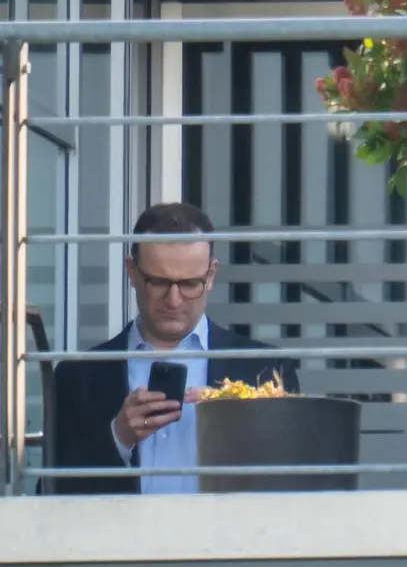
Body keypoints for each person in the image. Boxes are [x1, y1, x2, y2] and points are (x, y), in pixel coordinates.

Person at [49, 203, 299, 495]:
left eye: (191, 283)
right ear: (132, 271)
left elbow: (292, 487)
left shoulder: (266, 369)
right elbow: (51, 493)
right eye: (158, 281)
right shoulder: (78, 377)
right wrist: (118, 438)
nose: (174, 300)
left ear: (211, 275)